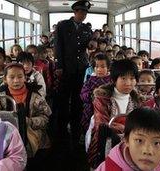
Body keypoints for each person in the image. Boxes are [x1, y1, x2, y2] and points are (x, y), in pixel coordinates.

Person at [87, 59, 142, 168]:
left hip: (131, 143)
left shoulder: (138, 100)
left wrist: (124, 128)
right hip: (104, 140)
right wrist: (130, 129)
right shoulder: (102, 99)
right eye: (123, 78)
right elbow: (103, 125)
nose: (128, 83)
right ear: (114, 79)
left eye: (132, 78)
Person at [54, 0, 92, 146]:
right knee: (64, 97)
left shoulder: (86, 29)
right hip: (65, 67)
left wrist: (92, 44)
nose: (83, 15)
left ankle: (76, 125)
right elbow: (58, 46)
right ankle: (62, 128)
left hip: (81, 68)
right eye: (81, 12)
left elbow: (87, 45)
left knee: (78, 97)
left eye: (85, 13)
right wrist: (59, 66)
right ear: (75, 12)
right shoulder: (63, 26)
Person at [0, 63, 51, 159]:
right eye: (12, 77)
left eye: (20, 76)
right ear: (5, 79)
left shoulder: (36, 95)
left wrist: (28, 121)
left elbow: (46, 118)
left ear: (25, 78)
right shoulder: (0, 97)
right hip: (6, 134)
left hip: (32, 133)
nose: (16, 80)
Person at [96, 108, 160, 171]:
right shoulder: (110, 167)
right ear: (126, 140)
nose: (147, 151)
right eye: (139, 140)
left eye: (157, 143)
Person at [80, 54, 111, 133]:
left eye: (103, 67)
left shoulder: (111, 81)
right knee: (89, 127)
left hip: (106, 109)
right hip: (91, 108)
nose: (99, 69)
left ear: (108, 68)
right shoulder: (90, 80)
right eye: (97, 67)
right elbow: (83, 94)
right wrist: (91, 96)